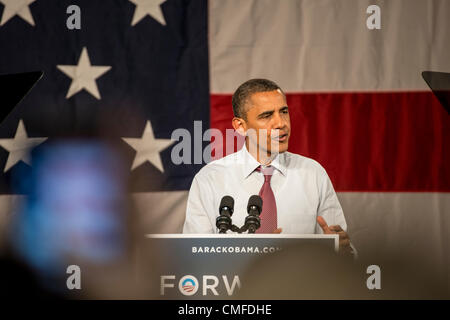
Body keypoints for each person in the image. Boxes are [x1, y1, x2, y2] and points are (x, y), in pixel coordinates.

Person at [183, 79, 353, 253]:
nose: (281, 123)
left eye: (284, 111)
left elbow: (345, 253)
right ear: (240, 126)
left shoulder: (313, 174)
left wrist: (342, 251)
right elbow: (195, 258)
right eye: (267, 115)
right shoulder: (210, 179)